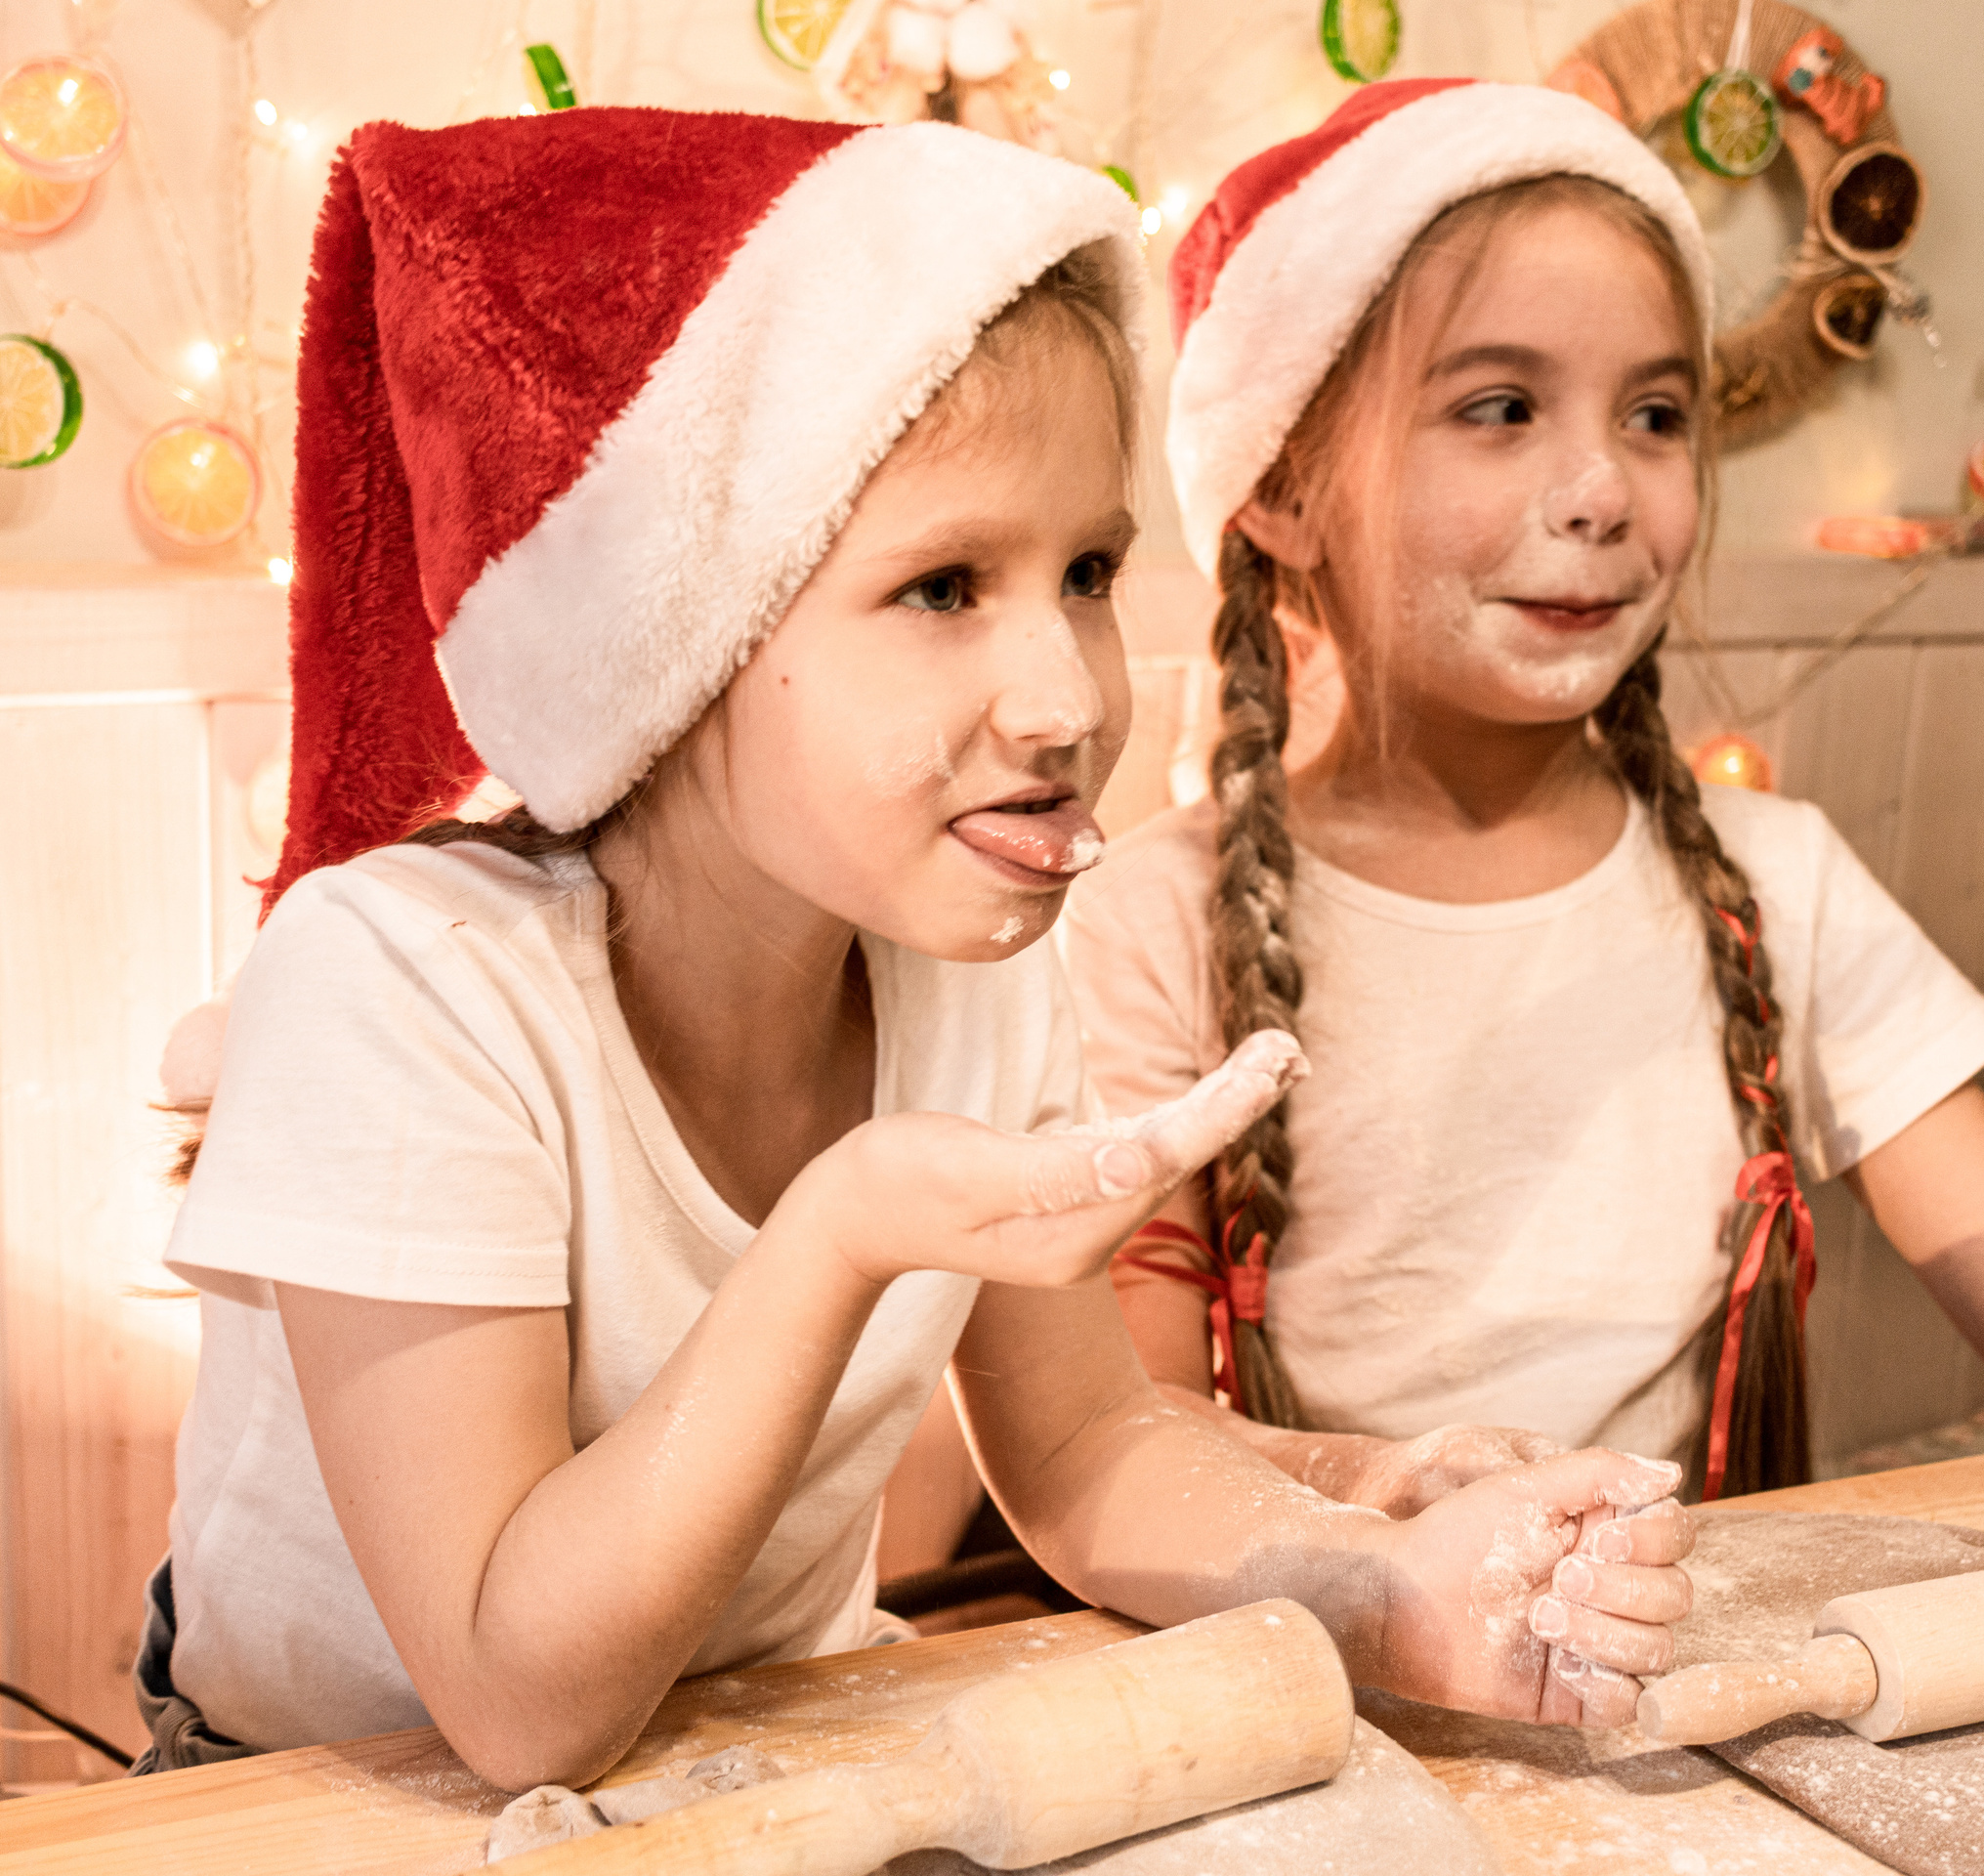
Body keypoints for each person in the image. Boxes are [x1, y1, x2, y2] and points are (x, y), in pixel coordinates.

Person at [141, 105, 1695, 1787]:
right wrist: (846, 1228)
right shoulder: (405, 988)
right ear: (686, 636)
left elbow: (1089, 1446)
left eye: (1089, 571)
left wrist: (1379, 1581)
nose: (1070, 698)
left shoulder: (968, 967)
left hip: (744, 1758)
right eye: (946, 586)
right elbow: (518, 1706)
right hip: (317, 1796)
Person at [1066, 79, 1984, 1595]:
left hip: (1675, 1682)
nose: (1604, 490)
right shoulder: (1158, 928)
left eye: (1658, 415)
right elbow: (1130, 1428)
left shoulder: (1774, 882)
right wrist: (1393, 1530)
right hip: (1329, 1673)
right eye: (1500, 408)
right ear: (1283, 485)